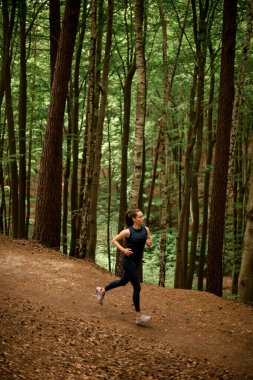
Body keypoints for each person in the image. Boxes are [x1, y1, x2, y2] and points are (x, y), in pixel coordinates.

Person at [96, 209, 152, 325]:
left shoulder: (146, 229)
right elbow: (114, 240)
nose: (142, 218)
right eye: (140, 217)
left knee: (122, 282)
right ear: (134, 219)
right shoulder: (127, 231)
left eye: (142, 216)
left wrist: (148, 242)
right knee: (137, 287)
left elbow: (149, 241)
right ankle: (138, 316)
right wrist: (123, 250)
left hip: (136, 262)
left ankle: (102, 290)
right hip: (128, 262)